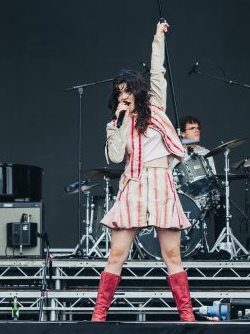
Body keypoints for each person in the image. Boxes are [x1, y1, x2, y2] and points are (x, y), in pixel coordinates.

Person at [91, 21, 195, 322]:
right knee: (116, 255)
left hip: (160, 182)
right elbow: (113, 156)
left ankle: (187, 319)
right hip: (134, 185)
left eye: (127, 92)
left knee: (172, 256)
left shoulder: (156, 111)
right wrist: (121, 123)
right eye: (119, 93)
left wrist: (158, 37)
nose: (123, 96)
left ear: (137, 92)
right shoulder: (114, 125)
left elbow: (157, 71)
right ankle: (98, 318)